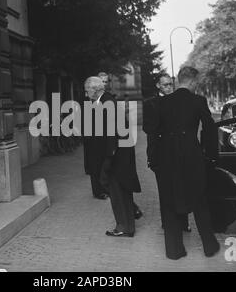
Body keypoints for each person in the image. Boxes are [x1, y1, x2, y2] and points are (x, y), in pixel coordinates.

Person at [147, 66, 220, 260]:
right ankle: (209, 246)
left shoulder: (161, 102)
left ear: (178, 80)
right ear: (193, 81)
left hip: (166, 156)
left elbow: (152, 133)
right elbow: (210, 130)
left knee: (168, 201)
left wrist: (152, 158)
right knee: (199, 198)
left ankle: (174, 250)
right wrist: (210, 155)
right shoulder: (198, 101)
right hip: (192, 155)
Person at [83, 76, 141, 236]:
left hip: (116, 155)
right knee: (119, 190)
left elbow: (112, 134)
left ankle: (124, 227)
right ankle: (127, 223)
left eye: (87, 89)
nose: (86, 93)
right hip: (118, 153)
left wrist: (109, 157)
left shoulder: (107, 103)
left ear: (95, 89)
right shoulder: (104, 101)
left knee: (117, 191)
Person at [143, 74, 191, 232]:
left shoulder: (181, 102)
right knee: (164, 190)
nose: (169, 87)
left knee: (182, 187)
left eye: (171, 84)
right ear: (158, 86)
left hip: (180, 152)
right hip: (160, 153)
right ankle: (168, 222)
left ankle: (184, 223)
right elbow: (148, 129)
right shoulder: (150, 104)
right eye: (165, 85)